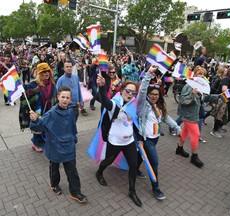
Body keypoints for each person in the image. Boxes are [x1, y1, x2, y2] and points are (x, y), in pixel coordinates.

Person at [29, 86, 87, 204]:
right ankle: (54, 184)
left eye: (67, 97)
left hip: (69, 146)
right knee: (54, 167)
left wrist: (74, 138)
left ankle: (76, 192)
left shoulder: (71, 111)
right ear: (58, 97)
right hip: (55, 146)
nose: (65, 100)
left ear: (70, 99)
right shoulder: (51, 113)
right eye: (63, 97)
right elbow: (39, 127)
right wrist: (35, 120)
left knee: (72, 170)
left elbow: (73, 127)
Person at [95, 74, 142, 207]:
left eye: (133, 92)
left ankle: (132, 191)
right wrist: (102, 87)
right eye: (128, 91)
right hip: (114, 141)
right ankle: (99, 172)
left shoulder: (134, 106)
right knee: (108, 160)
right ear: (121, 91)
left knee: (133, 165)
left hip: (129, 142)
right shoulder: (115, 105)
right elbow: (104, 100)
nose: (130, 94)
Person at [137, 65, 181, 200]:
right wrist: (149, 74)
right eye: (152, 94)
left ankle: (135, 168)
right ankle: (156, 188)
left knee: (141, 156)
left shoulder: (159, 106)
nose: (154, 96)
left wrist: (177, 128)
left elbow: (166, 118)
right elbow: (142, 90)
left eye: (156, 94)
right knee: (154, 163)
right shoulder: (143, 104)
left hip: (155, 138)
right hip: (147, 139)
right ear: (148, 95)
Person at [19, 62, 57, 153]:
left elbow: (55, 96)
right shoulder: (34, 84)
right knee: (38, 128)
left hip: (49, 109)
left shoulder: (52, 83)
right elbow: (25, 91)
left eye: (48, 71)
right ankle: (35, 143)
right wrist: (21, 90)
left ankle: (42, 141)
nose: (46, 73)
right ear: (39, 73)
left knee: (47, 127)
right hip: (38, 110)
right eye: (44, 72)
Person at [176, 82, 204, 168]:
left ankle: (179, 149)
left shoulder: (200, 86)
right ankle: (194, 156)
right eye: (200, 73)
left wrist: (218, 97)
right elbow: (182, 100)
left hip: (192, 115)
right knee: (196, 134)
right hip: (188, 115)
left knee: (185, 131)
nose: (202, 76)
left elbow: (203, 99)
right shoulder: (189, 86)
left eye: (203, 74)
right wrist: (192, 94)